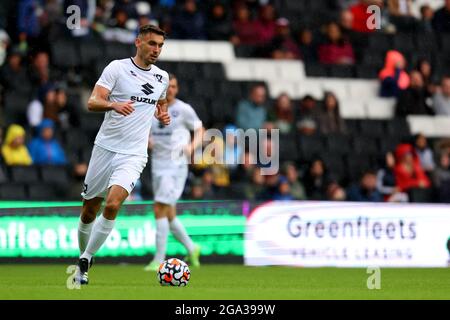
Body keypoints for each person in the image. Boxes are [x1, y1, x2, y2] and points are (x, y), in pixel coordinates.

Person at [75, 25, 171, 285]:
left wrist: (161, 114)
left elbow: (160, 101)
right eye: (152, 44)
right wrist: (113, 104)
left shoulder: (161, 77)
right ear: (138, 42)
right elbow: (92, 102)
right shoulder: (116, 68)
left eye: (160, 45)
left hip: (134, 154)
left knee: (114, 203)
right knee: (89, 209)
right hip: (105, 148)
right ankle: (83, 256)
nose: (157, 50)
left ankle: (85, 260)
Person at [144, 73, 203, 271]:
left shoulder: (183, 109)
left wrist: (192, 147)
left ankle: (158, 260)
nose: (171, 90)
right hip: (158, 163)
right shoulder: (151, 107)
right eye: (168, 86)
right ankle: (192, 247)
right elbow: (143, 131)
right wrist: (147, 141)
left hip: (176, 164)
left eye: (174, 87)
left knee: (159, 208)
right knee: (168, 212)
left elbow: (200, 129)